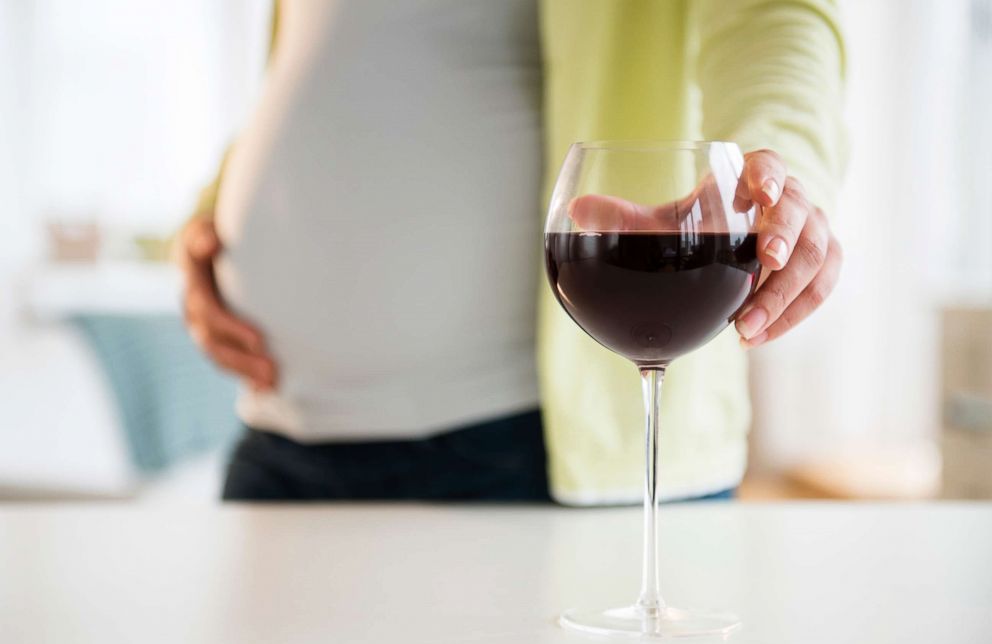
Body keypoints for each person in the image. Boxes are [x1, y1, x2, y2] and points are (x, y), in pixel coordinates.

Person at [179, 0, 845, 503]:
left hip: (523, 454)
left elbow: (774, 16)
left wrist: (776, 163)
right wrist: (215, 222)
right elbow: (316, 65)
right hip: (279, 436)